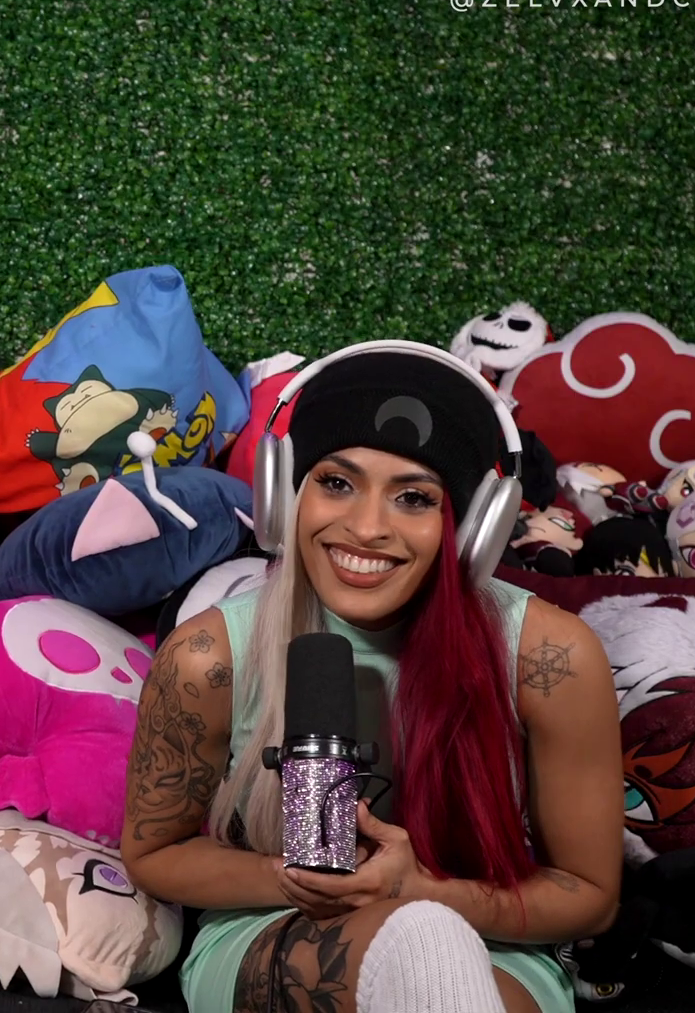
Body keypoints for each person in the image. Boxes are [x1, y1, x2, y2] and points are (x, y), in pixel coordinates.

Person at [121, 345, 623, 1013]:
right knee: (424, 945)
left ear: (472, 528)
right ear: (284, 494)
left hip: (490, 935)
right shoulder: (208, 657)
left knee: (432, 942)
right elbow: (155, 854)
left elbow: (591, 897)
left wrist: (418, 892)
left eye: (414, 498)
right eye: (336, 483)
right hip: (275, 919)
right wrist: (298, 878)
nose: (365, 528)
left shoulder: (550, 658)